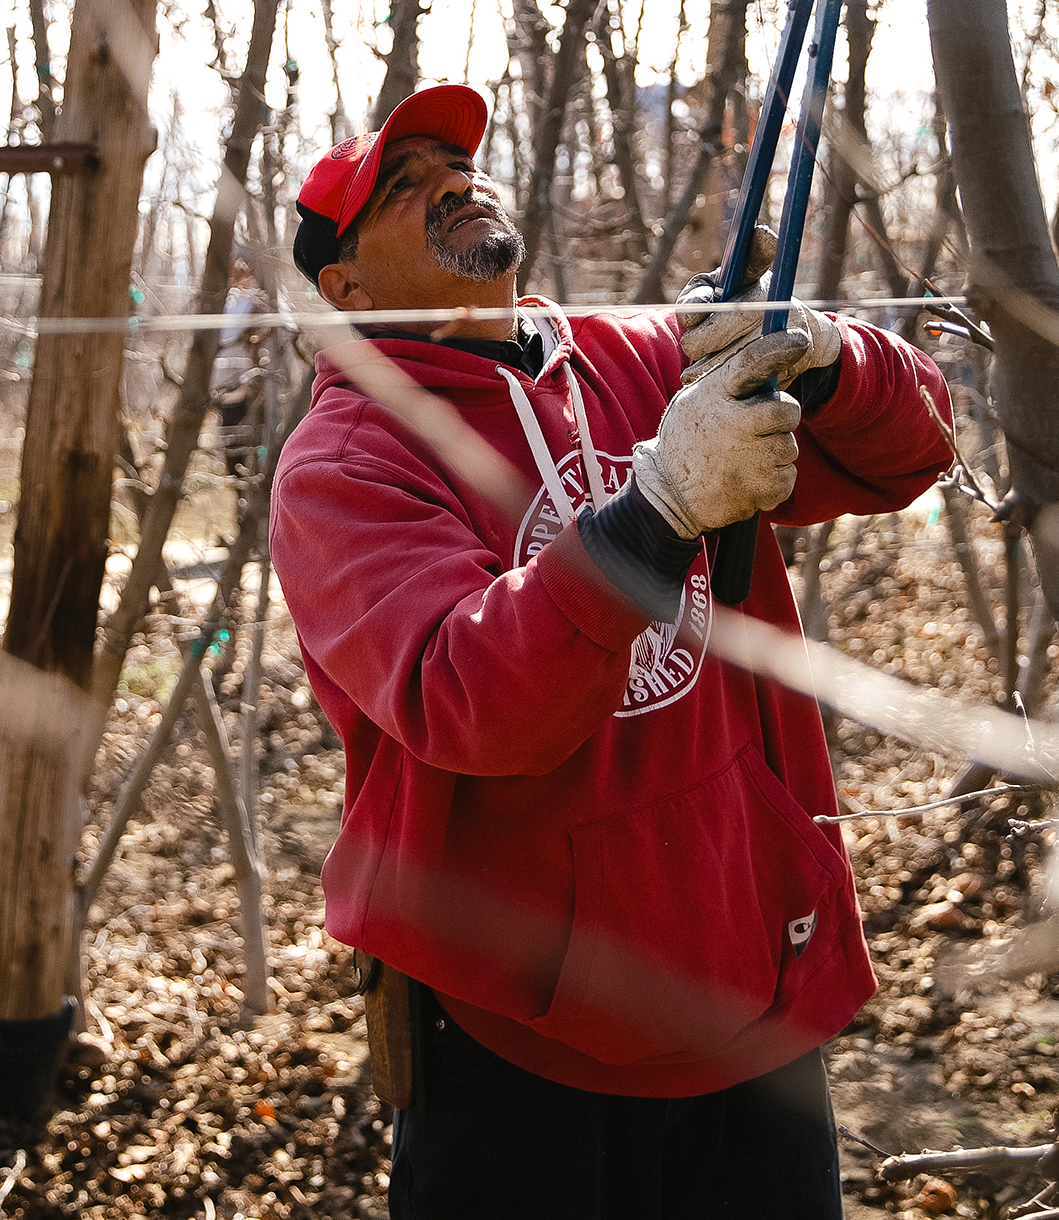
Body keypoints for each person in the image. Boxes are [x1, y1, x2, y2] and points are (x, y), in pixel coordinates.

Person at [268, 83, 957, 1218]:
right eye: (404, 186)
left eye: (458, 164)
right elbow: (469, 697)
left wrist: (828, 359)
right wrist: (657, 508)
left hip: (743, 975)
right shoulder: (343, 465)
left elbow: (913, 453)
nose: (452, 181)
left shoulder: (636, 357)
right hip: (512, 1028)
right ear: (343, 290)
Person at [212, 250, 266, 481]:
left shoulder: (259, 300)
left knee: (249, 440)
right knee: (229, 440)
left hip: (247, 386)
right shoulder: (229, 299)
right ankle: (237, 484)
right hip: (224, 386)